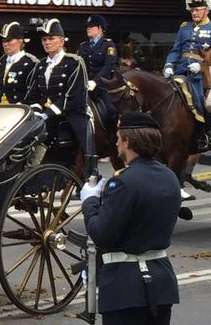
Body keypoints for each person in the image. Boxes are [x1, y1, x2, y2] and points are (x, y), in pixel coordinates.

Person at [80, 112, 181, 325]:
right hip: (161, 283)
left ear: (128, 141)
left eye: (119, 137)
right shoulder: (169, 176)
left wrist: (90, 201)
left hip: (126, 288)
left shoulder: (123, 183)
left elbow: (101, 233)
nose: (116, 143)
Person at [163, 0, 211, 151]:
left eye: (198, 10)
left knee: (203, 101)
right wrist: (169, 64)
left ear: (207, 9)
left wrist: (201, 65)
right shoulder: (184, 28)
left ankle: (207, 133)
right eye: (192, 10)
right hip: (181, 72)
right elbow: (176, 50)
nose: (194, 13)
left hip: (203, 76)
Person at [24, 18, 90, 158]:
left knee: (84, 145)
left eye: (51, 38)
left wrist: (47, 114)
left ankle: (89, 169)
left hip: (68, 114)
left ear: (61, 41)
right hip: (44, 117)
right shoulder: (41, 64)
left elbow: (72, 96)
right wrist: (36, 112)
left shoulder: (74, 62)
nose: (47, 42)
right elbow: (33, 94)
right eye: (44, 39)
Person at [79, 14, 119, 130]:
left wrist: (95, 82)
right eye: (87, 26)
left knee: (111, 111)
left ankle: (113, 135)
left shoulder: (108, 45)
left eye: (91, 26)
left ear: (100, 28)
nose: (88, 28)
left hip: (102, 85)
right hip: (85, 86)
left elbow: (108, 66)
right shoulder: (83, 46)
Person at [0, 21, 39, 104]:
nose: (5, 44)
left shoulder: (30, 62)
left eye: (9, 40)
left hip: (19, 109)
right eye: (4, 41)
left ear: (20, 41)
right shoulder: (1, 62)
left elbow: (32, 93)